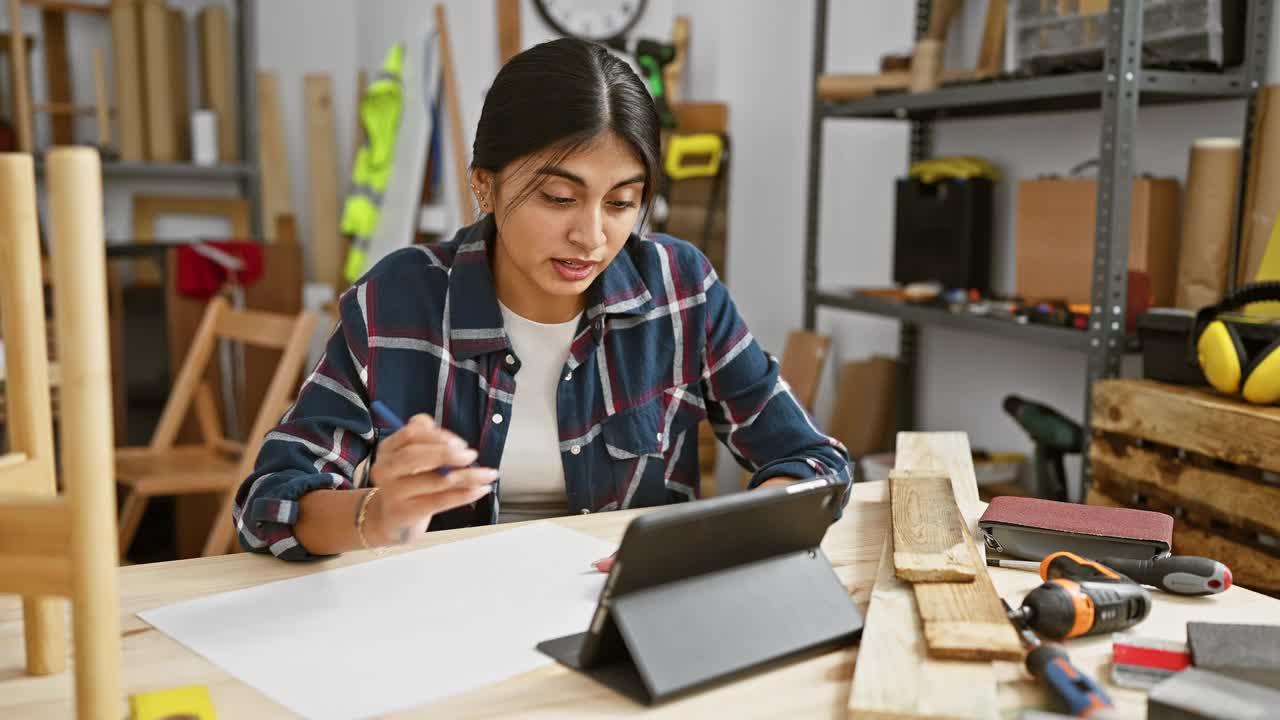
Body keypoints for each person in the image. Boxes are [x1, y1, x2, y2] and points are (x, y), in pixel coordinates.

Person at [232, 37, 852, 562]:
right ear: (486, 185)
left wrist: (710, 542)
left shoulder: (679, 288)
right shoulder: (400, 300)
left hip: (617, 625)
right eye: (559, 198)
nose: (592, 236)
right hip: (438, 625)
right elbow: (268, 502)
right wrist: (374, 513)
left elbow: (811, 460)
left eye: (621, 203)